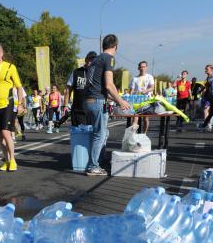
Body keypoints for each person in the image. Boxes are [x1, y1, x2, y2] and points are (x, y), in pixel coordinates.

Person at [82, 34, 130, 176]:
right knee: (100, 134)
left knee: (101, 133)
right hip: (97, 101)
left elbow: (102, 87)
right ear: (116, 46)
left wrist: (116, 99)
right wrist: (121, 101)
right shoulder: (109, 58)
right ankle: (93, 166)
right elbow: (109, 85)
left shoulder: (96, 59)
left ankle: (98, 160)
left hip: (88, 101)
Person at [57, 51, 98, 129]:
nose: (91, 62)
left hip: (92, 110)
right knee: (80, 133)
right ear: (86, 60)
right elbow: (68, 89)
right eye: (90, 59)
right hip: (78, 110)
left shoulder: (96, 74)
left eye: (94, 60)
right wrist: (65, 105)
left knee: (92, 135)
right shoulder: (76, 72)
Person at [130, 61, 154, 135]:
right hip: (137, 100)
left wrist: (146, 90)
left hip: (147, 100)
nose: (142, 68)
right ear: (138, 68)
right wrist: (130, 97)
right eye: (141, 67)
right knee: (135, 117)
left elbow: (152, 87)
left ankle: (144, 134)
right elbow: (132, 90)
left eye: (144, 67)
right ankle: (133, 134)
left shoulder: (149, 77)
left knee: (145, 118)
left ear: (146, 67)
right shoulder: (135, 78)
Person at [201, 65, 213, 132]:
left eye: (207, 69)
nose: (205, 70)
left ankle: (204, 125)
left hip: (212, 97)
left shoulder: (211, 77)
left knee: (211, 113)